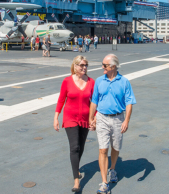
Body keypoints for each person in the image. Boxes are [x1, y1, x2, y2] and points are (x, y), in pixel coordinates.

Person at [89, 54, 136, 194]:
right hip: (102, 117)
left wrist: (126, 120)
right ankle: (104, 182)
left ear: (113, 67)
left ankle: (113, 169)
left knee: (115, 146)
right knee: (103, 149)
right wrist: (91, 118)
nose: (102, 67)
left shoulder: (124, 82)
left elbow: (129, 103)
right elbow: (94, 101)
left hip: (118, 118)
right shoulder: (99, 81)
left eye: (105, 65)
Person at [54, 56, 95, 193]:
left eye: (86, 65)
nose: (84, 67)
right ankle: (76, 181)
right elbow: (61, 100)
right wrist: (56, 117)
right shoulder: (67, 81)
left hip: (85, 118)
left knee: (81, 147)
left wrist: (94, 119)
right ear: (75, 66)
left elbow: (94, 103)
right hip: (70, 117)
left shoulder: (91, 82)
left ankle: (76, 167)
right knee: (75, 147)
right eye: (82, 65)